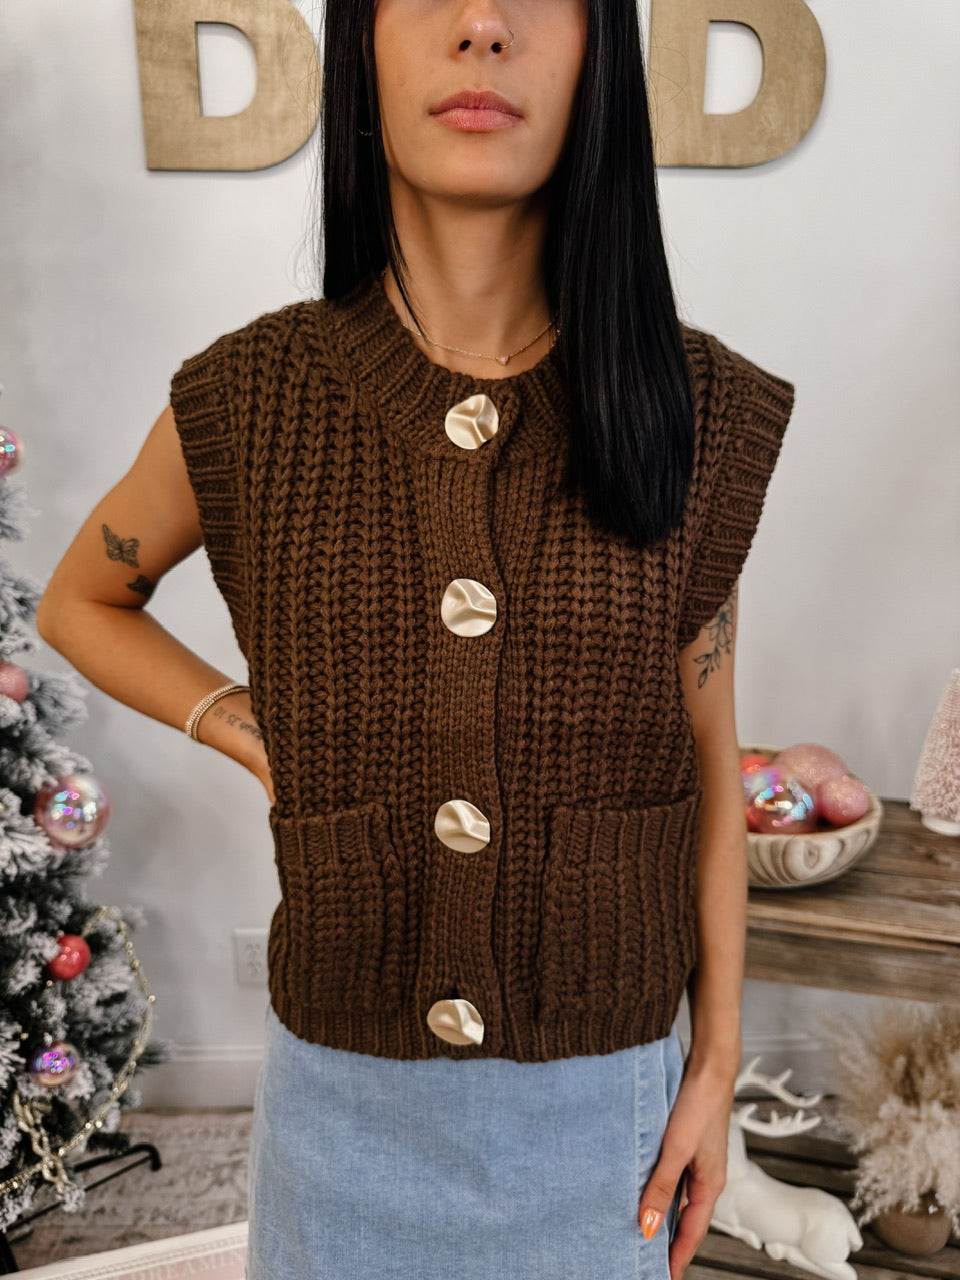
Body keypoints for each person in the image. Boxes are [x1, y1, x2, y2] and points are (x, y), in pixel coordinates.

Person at [36, 1, 795, 1277]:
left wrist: (715, 1063)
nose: (483, 23)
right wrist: (255, 732)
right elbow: (80, 600)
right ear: (361, 42)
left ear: (602, 49)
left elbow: (712, 771)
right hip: (344, 1107)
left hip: (601, 1114)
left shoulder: (691, 407)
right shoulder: (253, 400)